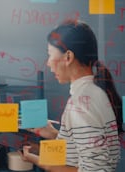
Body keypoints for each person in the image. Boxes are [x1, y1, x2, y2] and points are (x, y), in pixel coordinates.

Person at [19, 20, 123, 172]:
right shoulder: (95, 92)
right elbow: (88, 149)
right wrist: (55, 134)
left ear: (68, 57)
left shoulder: (81, 104)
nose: (48, 63)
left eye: (50, 55)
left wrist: (42, 162)